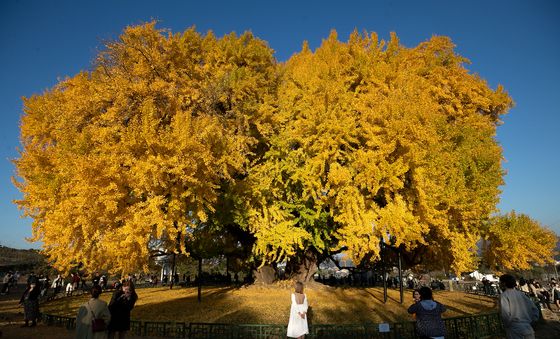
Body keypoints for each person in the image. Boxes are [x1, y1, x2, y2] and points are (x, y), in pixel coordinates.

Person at [499, 274, 540, 339]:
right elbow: (535, 309)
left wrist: (506, 326)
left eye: (500, 282)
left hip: (515, 329)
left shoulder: (504, 296)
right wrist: (532, 321)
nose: (499, 284)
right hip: (528, 328)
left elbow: (505, 314)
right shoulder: (521, 294)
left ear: (504, 283)